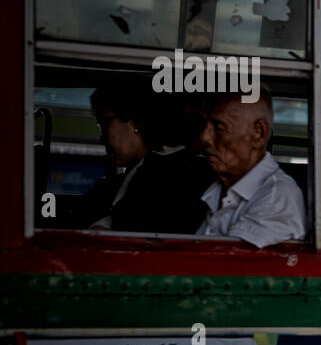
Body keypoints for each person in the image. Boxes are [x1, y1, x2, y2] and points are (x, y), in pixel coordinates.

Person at [67, 80, 212, 234]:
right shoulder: (127, 178)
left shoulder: (168, 176)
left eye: (103, 124)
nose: (102, 138)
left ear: (132, 123)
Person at [195, 92, 306, 248]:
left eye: (219, 128)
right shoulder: (218, 187)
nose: (204, 138)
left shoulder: (277, 195)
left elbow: (227, 264)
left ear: (259, 132)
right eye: (205, 127)